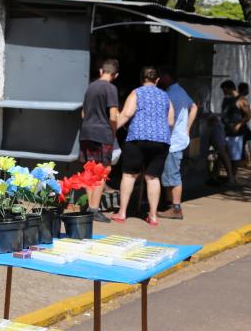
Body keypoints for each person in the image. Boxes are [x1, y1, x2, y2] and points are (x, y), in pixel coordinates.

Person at [112, 66, 174, 226]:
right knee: (153, 178)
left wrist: (111, 130)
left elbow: (126, 114)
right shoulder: (165, 96)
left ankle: (122, 212)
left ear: (141, 79)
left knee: (129, 175)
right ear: (157, 80)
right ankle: (153, 216)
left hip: (137, 138)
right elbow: (171, 121)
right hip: (161, 140)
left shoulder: (136, 93)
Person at [79, 59, 120, 223]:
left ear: (101, 71)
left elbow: (83, 114)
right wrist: (114, 131)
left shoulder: (90, 87)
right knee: (103, 170)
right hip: (102, 133)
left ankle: (90, 207)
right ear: (116, 74)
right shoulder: (110, 88)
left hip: (86, 132)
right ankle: (95, 209)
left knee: (89, 170)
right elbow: (113, 115)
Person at [157, 68, 198, 220]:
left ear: (167, 77)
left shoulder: (170, 94)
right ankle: (169, 205)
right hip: (178, 138)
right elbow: (194, 106)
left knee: (172, 174)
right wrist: (187, 128)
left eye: (161, 76)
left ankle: (176, 208)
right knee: (169, 174)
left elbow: (169, 119)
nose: (159, 79)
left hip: (173, 140)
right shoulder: (179, 90)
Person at [220, 80, 251, 178]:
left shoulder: (242, 100)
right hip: (225, 130)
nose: (223, 92)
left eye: (224, 90)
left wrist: (238, 126)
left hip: (236, 132)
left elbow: (248, 116)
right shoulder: (226, 99)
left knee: (235, 156)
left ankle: (233, 177)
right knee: (222, 153)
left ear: (230, 89)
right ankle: (229, 176)